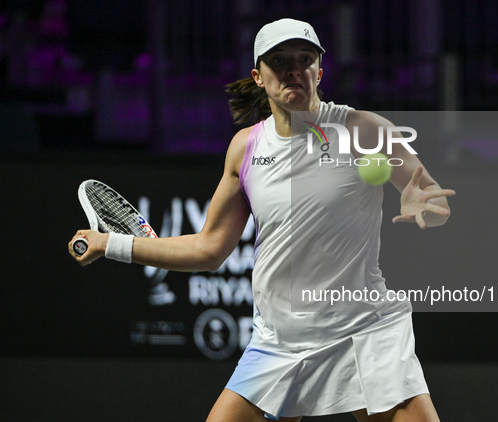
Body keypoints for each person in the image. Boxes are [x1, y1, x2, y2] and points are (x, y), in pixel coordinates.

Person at [69, 18, 455, 422]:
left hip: (363, 331)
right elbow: (208, 248)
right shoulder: (245, 148)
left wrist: (423, 204)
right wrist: (110, 244)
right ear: (258, 76)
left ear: (319, 72)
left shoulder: (363, 130)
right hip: (280, 341)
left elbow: (433, 199)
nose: (293, 69)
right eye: (279, 60)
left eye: (305, 59)